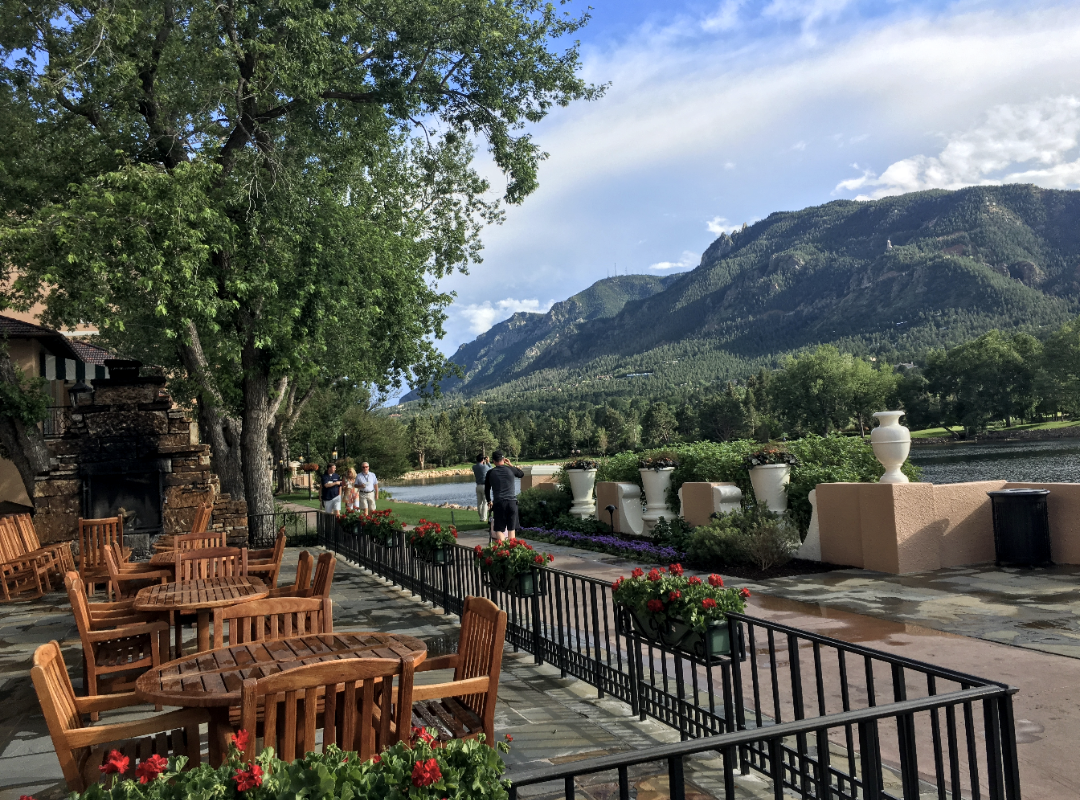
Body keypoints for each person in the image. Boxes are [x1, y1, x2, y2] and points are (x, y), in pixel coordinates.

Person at [484, 451, 524, 542]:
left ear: (493, 461)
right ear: (503, 459)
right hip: (512, 502)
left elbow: (487, 489)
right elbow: (521, 474)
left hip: (499, 503)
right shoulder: (511, 469)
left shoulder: (490, 473)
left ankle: (503, 550)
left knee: (498, 529)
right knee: (511, 529)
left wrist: (489, 501)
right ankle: (511, 550)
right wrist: (510, 464)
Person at [472, 453, 491, 522]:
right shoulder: (485, 467)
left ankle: (480, 515)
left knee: (479, 502)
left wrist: (484, 461)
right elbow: (491, 469)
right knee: (485, 502)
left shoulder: (474, 467)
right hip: (484, 486)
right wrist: (488, 462)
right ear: (483, 459)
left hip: (478, 486)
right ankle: (483, 518)